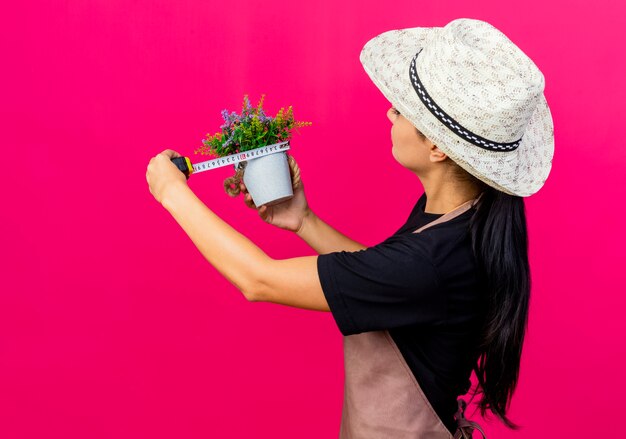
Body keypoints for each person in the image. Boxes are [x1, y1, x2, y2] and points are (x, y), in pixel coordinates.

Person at [146, 18, 554, 438]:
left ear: (436, 147)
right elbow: (383, 275)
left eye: (403, 109)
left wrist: (171, 192)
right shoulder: (465, 220)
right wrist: (303, 219)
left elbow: (258, 279)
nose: (389, 112)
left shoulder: (431, 260)